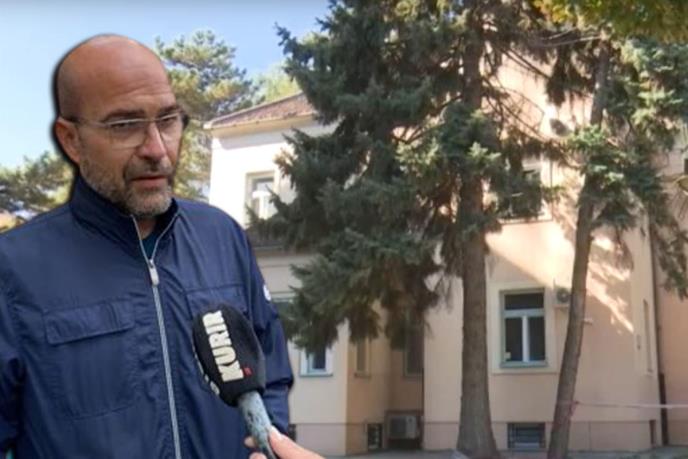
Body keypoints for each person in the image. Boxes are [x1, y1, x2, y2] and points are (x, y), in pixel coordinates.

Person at [0, 34, 303, 458]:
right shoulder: (13, 269)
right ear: (71, 140)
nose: (157, 149)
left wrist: (268, 446)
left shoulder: (223, 237)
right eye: (125, 125)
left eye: (168, 120)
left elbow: (269, 374)